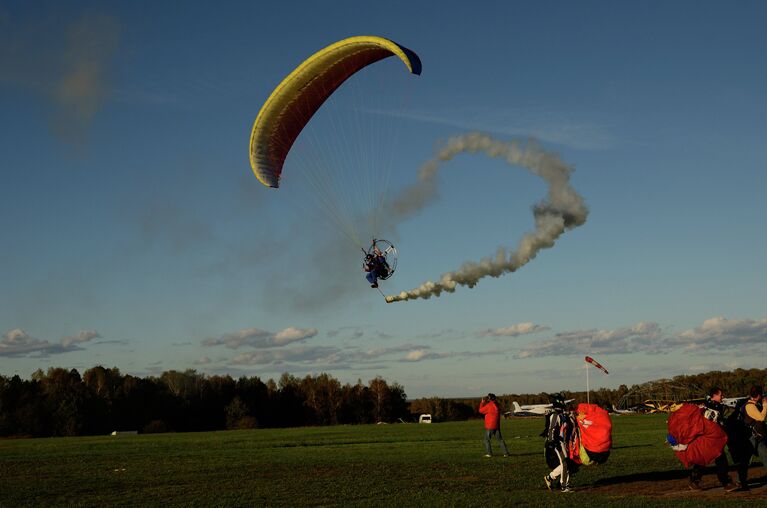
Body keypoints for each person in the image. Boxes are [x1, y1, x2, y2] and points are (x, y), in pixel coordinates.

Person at [688, 387, 736, 491]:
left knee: (713, 459)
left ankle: (695, 481)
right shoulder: (709, 406)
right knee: (716, 460)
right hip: (709, 439)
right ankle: (726, 483)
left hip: (713, 438)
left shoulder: (713, 405)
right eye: (720, 395)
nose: (722, 397)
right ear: (714, 396)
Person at [542, 393, 577, 493]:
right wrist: (552, 442)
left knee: (566, 464)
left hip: (562, 443)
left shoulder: (560, 414)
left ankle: (550, 478)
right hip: (556, 443)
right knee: (565, 464)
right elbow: (551, 430)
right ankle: (564, 486)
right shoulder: (554, 415)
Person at [743, 385, 767, 472]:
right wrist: (765, 405)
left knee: (746, 460)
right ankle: (740, 479)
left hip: (759, 435)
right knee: (765, 456)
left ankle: (740, 480)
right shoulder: (750, 406)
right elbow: (761, 418)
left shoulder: (755, 404)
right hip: (755, 437)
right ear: (759, 395)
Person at [479, 393, 509, 458]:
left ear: (489, 399)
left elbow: (480, 411)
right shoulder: (497, 405)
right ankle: (506, 453)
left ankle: (489, 453)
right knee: (500, 440)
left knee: (486, 440)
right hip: (497, 426)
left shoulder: (489, 405)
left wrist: (482, 403)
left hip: (490, 426)